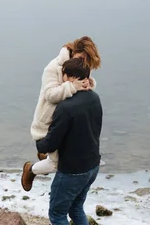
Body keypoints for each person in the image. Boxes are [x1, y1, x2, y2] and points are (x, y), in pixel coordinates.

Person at [22, 36, 101, 191]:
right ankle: (30, 170)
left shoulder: (80, 64)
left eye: (87, 61)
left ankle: (45, 155)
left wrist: (89, 83)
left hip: (67, 121)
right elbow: (50, 95)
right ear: (74, 51)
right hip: (49, 121)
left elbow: (82, 83)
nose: (84, 63)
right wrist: (73, 86)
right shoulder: (53, 68)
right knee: (57, 164)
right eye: (82, 58)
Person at [35, 57, 103, 225]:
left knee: (57, 214)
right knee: (76, 208)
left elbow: (51, 144)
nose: (61, 79)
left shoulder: (65, 108)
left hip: (73, 171)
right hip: (93, 166)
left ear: (71, 78)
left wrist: (39, 143)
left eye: (63, 75)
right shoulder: (94, 98)